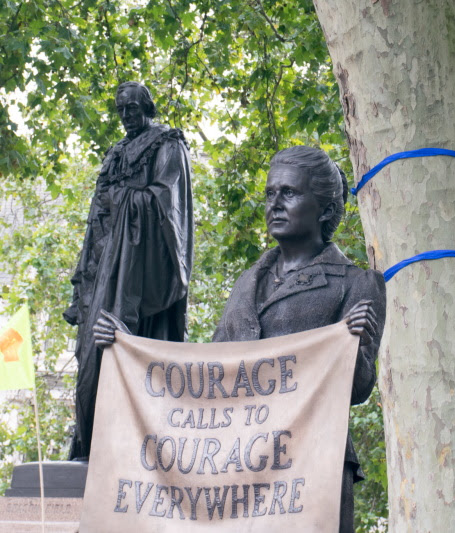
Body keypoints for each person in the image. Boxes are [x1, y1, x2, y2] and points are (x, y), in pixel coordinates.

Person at [94, 145, 385, 533]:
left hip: (310, 470)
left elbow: (360, 389)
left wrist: (356, 343)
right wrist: (133, 353)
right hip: (237, 470)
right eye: (270, 194)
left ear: (326, 210)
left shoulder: (357, 284)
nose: (275, 204)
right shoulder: (248, 282)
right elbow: (208, 375)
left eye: (290, 193)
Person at [65, 81, 193, 460]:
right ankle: (89, 447)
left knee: (123, 351)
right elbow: (96, 217)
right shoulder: (116, 151)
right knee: (91, 356)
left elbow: (168, 205)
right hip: (104, 267)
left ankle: (125, 451)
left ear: (148, 107)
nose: (127, 116)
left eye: (133, 108)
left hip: (140, 272)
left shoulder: (167, 144)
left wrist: (122, 199)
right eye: (121, 109)